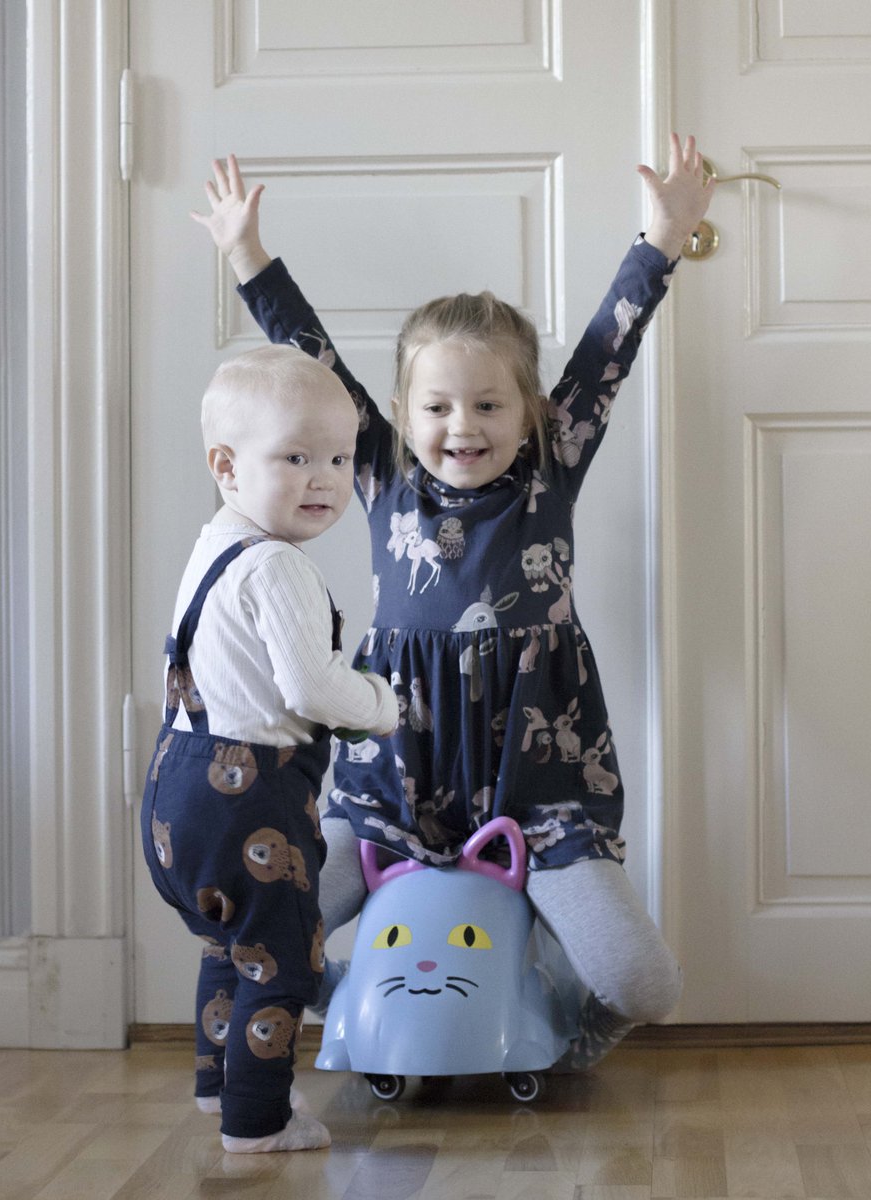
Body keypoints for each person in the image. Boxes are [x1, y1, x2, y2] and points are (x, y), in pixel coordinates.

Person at [191, 134, 714, 1069]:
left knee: (648, 984)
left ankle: (564, 1037)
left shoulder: (551, 469)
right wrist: (246, 255)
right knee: (269, 927)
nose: (461, 427)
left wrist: (663, 239)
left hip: (539, 779)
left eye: (487, 406)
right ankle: (362, 1021)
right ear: (396, 411)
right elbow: (307, 352)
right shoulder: (382, 472)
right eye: (436, 406)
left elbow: (608, 349)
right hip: (390, 772)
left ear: (531, 415)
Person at [140, 345, 398, 1153]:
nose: (324, 479)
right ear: (226, 464)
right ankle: (259, 1120)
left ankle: (219, 1087)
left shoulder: (214, 544)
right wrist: (382, 706)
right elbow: (313, 689)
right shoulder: (279, 565)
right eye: (295, 456)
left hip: (175, 790)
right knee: (283, 961)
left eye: (338, 458)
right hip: (246, 794)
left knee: (230, 944)